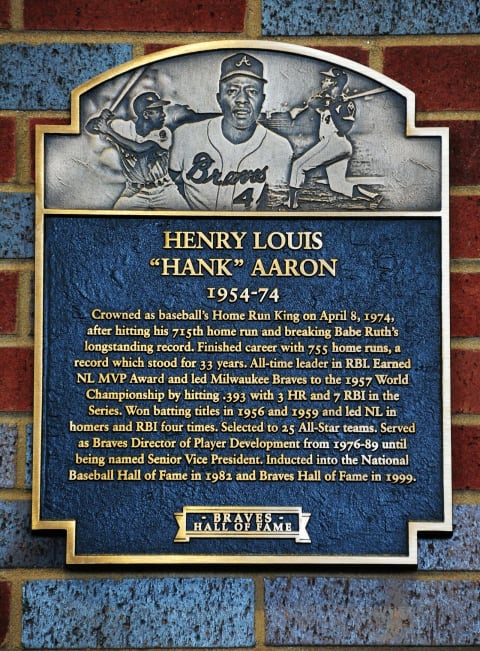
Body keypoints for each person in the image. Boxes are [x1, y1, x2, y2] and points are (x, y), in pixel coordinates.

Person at [169, 52, 293, 211]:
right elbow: (170, 187)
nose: (242, 99)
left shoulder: (279, 147)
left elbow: (275, 207)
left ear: (262, 100)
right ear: (219, 98)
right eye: (233, 90)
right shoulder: (185, 136)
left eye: (252, 91)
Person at [288, 67, 381, 209]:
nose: (323, 81)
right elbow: (312, 102)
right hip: (334, 145)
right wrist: (328, 101)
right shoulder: (327, 100)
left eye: (327, 79)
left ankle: (290, 205)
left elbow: (345, 128)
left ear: (334, 83)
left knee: (298, 166)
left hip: (335, 141)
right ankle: (372, 197)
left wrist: (333, 108)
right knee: (337, 185)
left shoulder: (346, 103)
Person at [86, 92, 188, 210]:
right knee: (114, 222)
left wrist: (108, 131)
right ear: (146, 114)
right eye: (159, 111)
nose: (163, 115)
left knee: (190, 219)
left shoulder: (163, 133)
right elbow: (90, 128)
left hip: (163, 190)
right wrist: (100, 119)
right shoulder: (121, 127)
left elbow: (138, 149)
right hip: (135, 192)